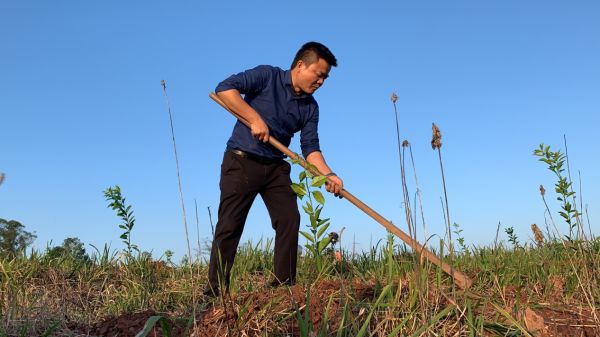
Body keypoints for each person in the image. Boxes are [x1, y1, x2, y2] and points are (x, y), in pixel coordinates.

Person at [204, 42, 343, 297]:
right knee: (230, 225)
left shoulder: (310, 108)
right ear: (301, 65)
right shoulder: (267, 76)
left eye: (325, 77)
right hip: (241, 160)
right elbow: (224, 89)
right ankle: (215, 294)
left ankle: (284, 289)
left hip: (275, 167)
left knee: (289, 218)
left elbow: (311, 148)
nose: (322, 81)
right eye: (319, 74)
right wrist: (254, 118)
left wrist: (329, 175)